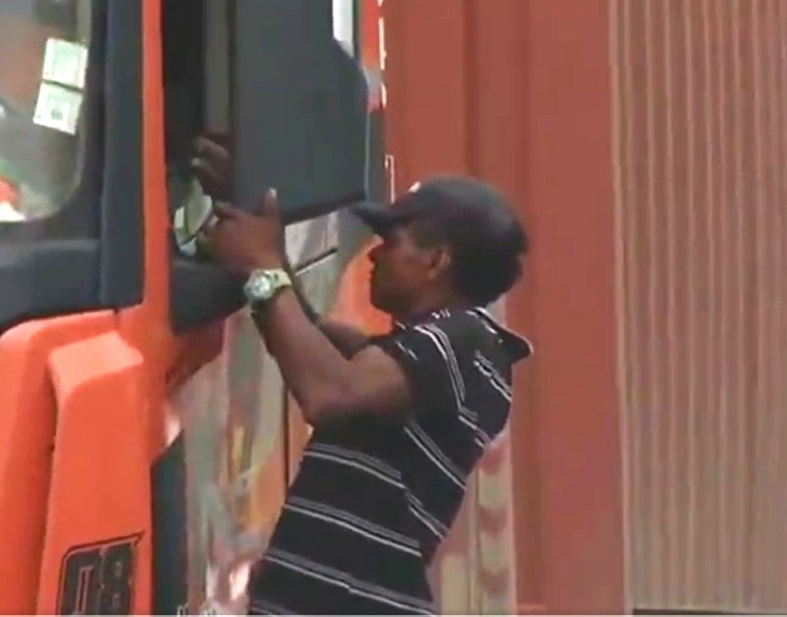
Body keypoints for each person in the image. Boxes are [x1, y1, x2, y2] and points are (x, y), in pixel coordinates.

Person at [193, 140, 533, 615]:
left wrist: (263, 266)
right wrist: (253, 226)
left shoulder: (465, 342)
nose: (374, 256)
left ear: (436, 260)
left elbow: (329, 390)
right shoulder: (433, 353)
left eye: (391, 242)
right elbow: (309, 339)